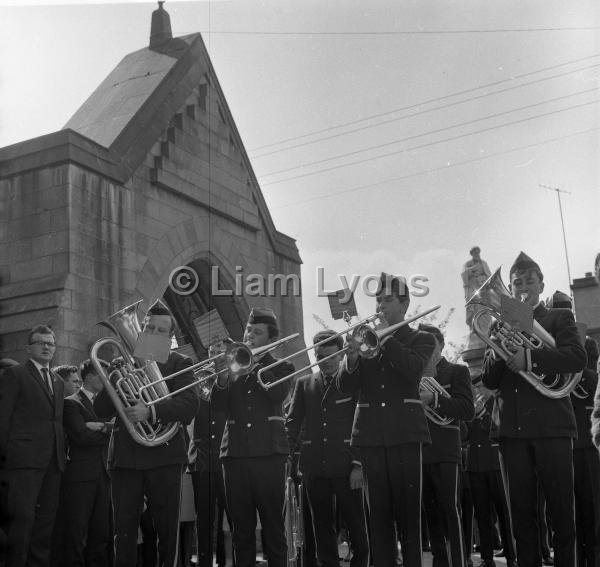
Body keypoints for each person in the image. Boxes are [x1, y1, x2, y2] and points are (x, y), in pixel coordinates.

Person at [481, 252, 587, 567]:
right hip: (512, 432)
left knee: (562, 516)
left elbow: (575, 358)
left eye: (529, 280)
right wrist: (500, 350)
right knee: (521, 521)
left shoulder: (558, 318)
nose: (523, 286)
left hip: (552, 428)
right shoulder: (500, 325)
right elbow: (489, 378)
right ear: (509, 291)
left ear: (541, 284)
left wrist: (529, 359)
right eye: (517, 283)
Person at [338, 272, 436, 567]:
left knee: (409, 520)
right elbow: (346, 387)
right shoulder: (365, 340)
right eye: (378, 299)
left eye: (388, 300)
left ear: (405, 304)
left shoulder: (422, 338)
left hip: (406, 435)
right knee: (377, 520)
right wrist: (352, 358)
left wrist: (386, 336)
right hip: (370, 437)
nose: (380, 305)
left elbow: (412, 370)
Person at [94, 299, 199, 567]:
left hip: (165, 457)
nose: (153, 333)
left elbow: (189, 406)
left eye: (160, 330)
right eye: (149, 328)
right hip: (127, 458)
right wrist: (113, 378)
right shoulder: (122, 363)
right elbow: (101, 410)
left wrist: (150, 412)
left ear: (170, 336)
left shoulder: (180, 363)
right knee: (124, 531)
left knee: (167, 531)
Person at [211, 307, 295, 567]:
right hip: (234, 456)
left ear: (270, 339)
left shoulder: (284, 366)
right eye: (248, 330)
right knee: (241, 531)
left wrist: (254, 366)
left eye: (257, 332)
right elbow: (218, 406)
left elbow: (277, 394)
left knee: (273, 528)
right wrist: (223, 377)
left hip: (269, 455)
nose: (249, 335)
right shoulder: (233, 367)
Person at [286, 329, 369, 567]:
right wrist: (285, 455)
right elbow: (292, 423)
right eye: (321, 357)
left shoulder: (353, 380)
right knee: (321, 527)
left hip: (347, 466)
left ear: (342, 353)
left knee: (356, 525)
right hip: (314, 467)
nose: (326, 362)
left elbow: (362, 422)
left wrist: (358, 464)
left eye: (332, 357)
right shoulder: (303, 383)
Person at [0, 325, 66, 567]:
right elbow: (3, 418)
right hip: (22, 462)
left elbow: (56, 422)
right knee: (21, 522)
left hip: (53, 462)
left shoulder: (58, 381)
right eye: (41, 342)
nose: (47, 346)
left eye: (51, 343)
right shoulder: (15, 374)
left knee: (44, 525)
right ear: (29, 348)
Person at [550, 290, 600, 567]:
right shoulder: (545, 328)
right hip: (563, 437)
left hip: (585, 440)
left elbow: (589, 370)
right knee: (569, 511)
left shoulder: (585, 341)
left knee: (590, 509)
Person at [419, 323, 474, 567]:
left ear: (441, 345)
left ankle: (459, 562)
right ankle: (441, 562)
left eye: (431, 344)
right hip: (420, 451)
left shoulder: (456, 371)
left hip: (445, 451)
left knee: (450, 511)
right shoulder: (413, 375)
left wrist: (435, 398)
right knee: (431, 516)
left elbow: (467, 410)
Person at [60, 359, 113, 567]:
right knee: (76, 533)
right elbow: (81, 436)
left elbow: (115, 431)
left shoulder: (107, 403)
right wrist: (108, 430)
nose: (107, 380)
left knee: (100, 534)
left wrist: (99, 427)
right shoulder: (71, 402)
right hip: (80, 479)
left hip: (104, 476)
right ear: (90, 376)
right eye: (103, 375)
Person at [467, 382, 516, 567]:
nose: (478, 391)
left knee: (504, 514)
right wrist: (473, 415)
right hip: (476, 466)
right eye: (476, 388)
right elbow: (464, 434)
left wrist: (482, 414)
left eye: (480, 387)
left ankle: (511, 557)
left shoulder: (496, 404)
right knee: (482, 514)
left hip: (494, 464)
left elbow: (496, 428)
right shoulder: (470, 407)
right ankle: (487, 558)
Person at [461, 247, 491, 327]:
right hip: (472, 289)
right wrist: (471, 270)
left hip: (483, 289)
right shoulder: (467, 264)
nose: (477, 254)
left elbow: (489, 275)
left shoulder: (483, 263)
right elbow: (464, 275)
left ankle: (485, 326)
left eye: (478, 252)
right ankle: (474, 326)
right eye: (475, 253)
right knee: (473, 307)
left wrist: (481, 279)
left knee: (483, 308)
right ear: (472, 254)